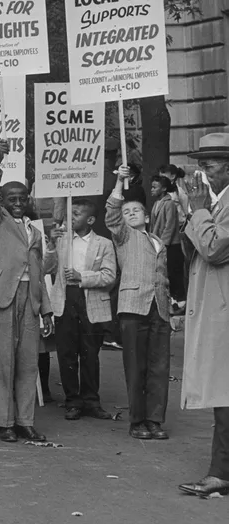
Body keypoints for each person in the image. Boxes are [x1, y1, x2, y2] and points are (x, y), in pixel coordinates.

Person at [0, 142, 55, 443]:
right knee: (3, 361)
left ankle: (25, 421)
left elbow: (37, 273)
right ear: (2, 200)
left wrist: (46, 309)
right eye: (11, 198)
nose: (18, 202)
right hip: (3, 296)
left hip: (30, 298)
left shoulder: (35, 231)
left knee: (28, 362)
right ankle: (5, 422)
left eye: (22, 198)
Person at [103, 167, 172, 441]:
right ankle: (137, 421)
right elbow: (112, 212)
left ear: (147, 216)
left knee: (159, 367)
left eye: (136, 211)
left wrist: (170, 307)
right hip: (133, 306)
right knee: (135, 366)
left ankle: (155, 420)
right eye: (127, 211)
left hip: (160, 309)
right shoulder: (123, 236)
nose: (130, 214)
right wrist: (120, 182)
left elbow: (163, 278)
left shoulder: (158, 242)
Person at [179, 134, 229, 497]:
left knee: (224, 392)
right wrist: (194, 213)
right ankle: (220, 470)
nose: (203, 174)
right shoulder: (215, 203)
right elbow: (194, 246)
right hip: (215, 308)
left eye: (209, 166)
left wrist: (197, 211)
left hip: (223, 311)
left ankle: (220, 472)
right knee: (222, 394)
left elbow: (213, 248)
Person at [48, 200, 117, 421]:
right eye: (70, 214)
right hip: (65, 299)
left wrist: (82, 277)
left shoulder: (104, 244)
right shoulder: (62, 240)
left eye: (76, 214)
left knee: (90, 354)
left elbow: (109, 276)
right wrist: (50, 244)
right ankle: (72, 401)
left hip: (90, 301)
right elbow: (47, 268)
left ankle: (91, 400)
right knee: (67, 353)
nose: (71, 218)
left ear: (90, 220)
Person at [149, 174, 186, 313]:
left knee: (173, 273)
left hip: (170, 245)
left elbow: (169, 226)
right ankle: (172, 303)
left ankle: (180, 303)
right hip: (161, 244)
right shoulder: (156, 203)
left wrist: (162, 244)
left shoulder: (169, 203)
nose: (152, 189)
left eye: (155, 187)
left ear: (164, 188)